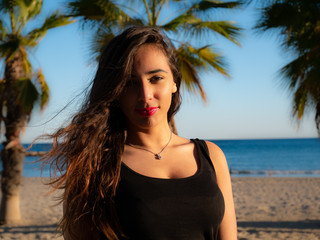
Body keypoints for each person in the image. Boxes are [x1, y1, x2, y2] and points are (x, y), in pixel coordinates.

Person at [43, 26, 237, 240]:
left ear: (174, 82)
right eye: (130, 83)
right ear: (115, 91)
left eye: (156, 79)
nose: (145, 95)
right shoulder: (94, 164)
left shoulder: (211, 155)